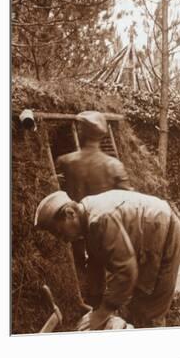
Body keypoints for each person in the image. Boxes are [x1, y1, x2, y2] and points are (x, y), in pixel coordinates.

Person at [34, 189, 180, 330]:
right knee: (132, 304)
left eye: (60, 232)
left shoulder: (100, 219)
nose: (64, 240)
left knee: (150, 311)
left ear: (69, 213)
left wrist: (101, 313)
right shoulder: (86, 214)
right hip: (145, 237)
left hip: (164, 232)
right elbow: (96, 263)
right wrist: (95, 306)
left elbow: (126, 271)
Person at [55, 111, 133, 272]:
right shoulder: (113, 165)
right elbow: (128, 200)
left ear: (82, 132)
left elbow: (56, 195)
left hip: (72, 225)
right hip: (103, 228)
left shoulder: (65, 161)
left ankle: (82, 293)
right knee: (103, 267)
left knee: (79, 268)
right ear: (102, 136)